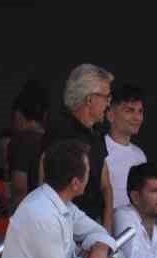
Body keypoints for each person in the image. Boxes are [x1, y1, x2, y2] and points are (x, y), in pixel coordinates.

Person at [42, 63, 114, 230]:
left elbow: (106, 186)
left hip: (92, 226)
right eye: (106, 97)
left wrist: (106, 231)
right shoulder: (60, 133)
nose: (109, 103)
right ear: (90, 99)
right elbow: (46, 187)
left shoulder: (97, 131)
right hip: (64, 229)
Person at [5, 79, 48, 211]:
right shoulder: (54, 140)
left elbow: (19, 189)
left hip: (30, 215)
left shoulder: (20, 142)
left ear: (18, 116)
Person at [103, 83, 147, 201]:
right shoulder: (99, 150)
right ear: (110, 115)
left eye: (140, 111)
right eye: (129, 110)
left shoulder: (140, 155)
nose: (137, 117)